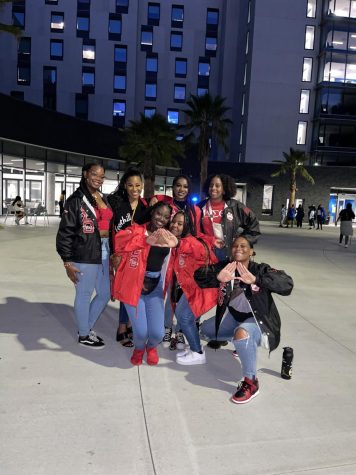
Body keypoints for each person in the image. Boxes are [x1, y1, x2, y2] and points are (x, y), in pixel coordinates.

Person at [194, 236, 294, 404]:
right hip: (233, 316)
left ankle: (251, 382)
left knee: (242, 334)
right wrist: (218, 277)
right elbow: (199, 276)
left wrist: (257, 280)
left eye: (243, 246)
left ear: (251, 251)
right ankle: (242, 345)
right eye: (234, 246)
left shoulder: (260, 269)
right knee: (205, 331)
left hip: (258, 320)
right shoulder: (226, 267)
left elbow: (287, 284)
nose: (238, 249)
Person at [198, 173, 261, 349]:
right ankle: (196, 324)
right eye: (211, 185)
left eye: (218, 186)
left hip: (230, 259)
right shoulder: (201, 207)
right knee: (201, 293)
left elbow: (254, 226)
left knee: (228, 298)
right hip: (206, 258)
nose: (214, 189)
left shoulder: (235, 207)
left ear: (225, 188)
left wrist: (240, 243)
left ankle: (223, 334)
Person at [112, 202, 178, 366]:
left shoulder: (168, 237)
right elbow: (120, 243)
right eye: (158, 214)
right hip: (134, 285)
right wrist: (145, 240)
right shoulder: (136, 230)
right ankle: (139, 349)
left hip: (155, 285)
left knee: (157, 333)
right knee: (140, 332)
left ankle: (151, 347)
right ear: (152, 212)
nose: (161, 219)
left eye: (165, 216)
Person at [56, 162, 112, 348]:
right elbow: (65, 232)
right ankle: (84, 335)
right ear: (85, 174)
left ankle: (85, 327)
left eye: (102, 176)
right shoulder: (76, 200)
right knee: (84, 293)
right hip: (85, 253)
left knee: (104, 294)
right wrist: (67, 261)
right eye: (95, 174)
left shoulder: (102, 197)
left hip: (104, 251)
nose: (98, 178)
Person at [152, 175, 203, 351]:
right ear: (173, 187)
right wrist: (156, 198)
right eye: (178, 186)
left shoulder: (194, 210)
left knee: (183, 291)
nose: (181, 189)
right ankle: (166, 327)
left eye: (185, 186)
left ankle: (180, 330)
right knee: (167, 290)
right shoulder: (167, 205)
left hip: (186, 253)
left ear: (189, 190)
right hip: (167, 252)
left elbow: (198, 233)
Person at [166, 211, 220, 365]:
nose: (175, 225)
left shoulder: (190, 242)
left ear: (188, 225)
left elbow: (198, 248)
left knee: (184, 317)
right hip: (191, 289)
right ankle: (194, 347)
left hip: (202, 289)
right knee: (183, 316)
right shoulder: (182, 240)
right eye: (174, 222)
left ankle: (197, 352)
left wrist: (178, 243)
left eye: (180, 223)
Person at [108, 168, 148, 347]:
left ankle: (129, 324)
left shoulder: (145, 207)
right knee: (123, 291)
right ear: (125, 185)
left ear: (142, 186)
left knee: (132, 290)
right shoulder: (115, 202)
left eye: (138, 185)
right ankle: (121, 328)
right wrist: (112, 254)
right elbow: (109, 230)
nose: (134, 189)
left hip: (135, 255)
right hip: (119, 254)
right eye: (130, 185)